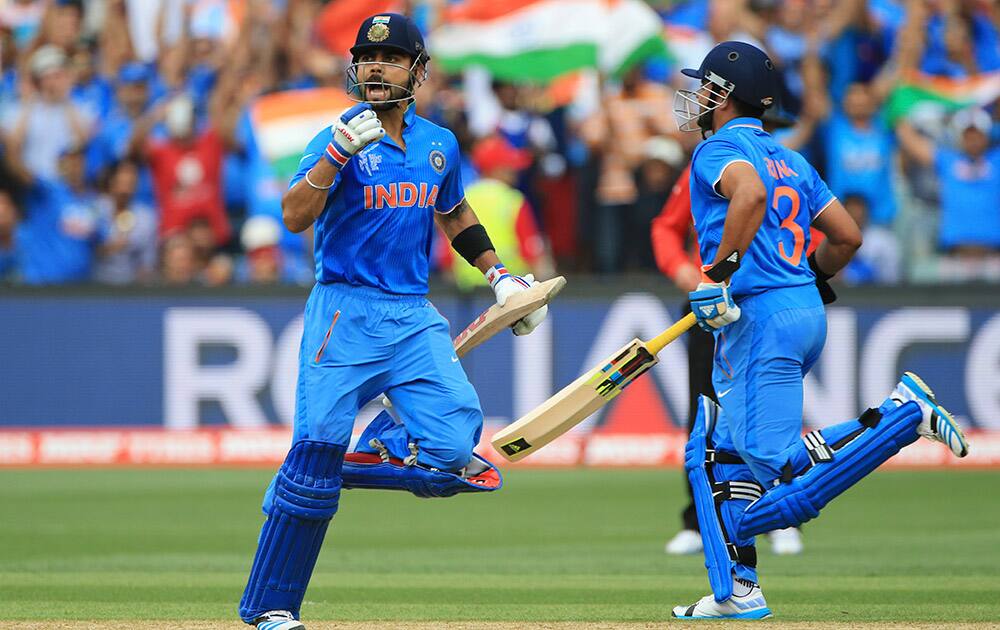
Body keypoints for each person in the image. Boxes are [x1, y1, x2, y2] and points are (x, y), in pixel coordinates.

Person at [237, 14, 548, 630]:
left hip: (411, 315)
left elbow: (454, 213)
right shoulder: (335, 136)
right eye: (367, 56)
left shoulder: (438, 143)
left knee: (458, 447)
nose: (376, 66)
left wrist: (500, 275)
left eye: (391, 56)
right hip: (343, 313)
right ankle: (271, 607)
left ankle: (369, 447)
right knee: (311, 473)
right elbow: (295, 215)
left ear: (417, 69)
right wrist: (334, 154)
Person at [670, 41, 969, 619]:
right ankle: (738, 588)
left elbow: (750, 195)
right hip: (801, 308)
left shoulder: (717, 151)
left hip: (759, 318)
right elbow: (847, 236)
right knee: (722, 451)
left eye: (705, 87)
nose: (696, 98)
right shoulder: (792, 159)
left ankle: (900, 417)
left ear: (726, 98)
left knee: (773, 462)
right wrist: (806, 280)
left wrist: (721, 274)